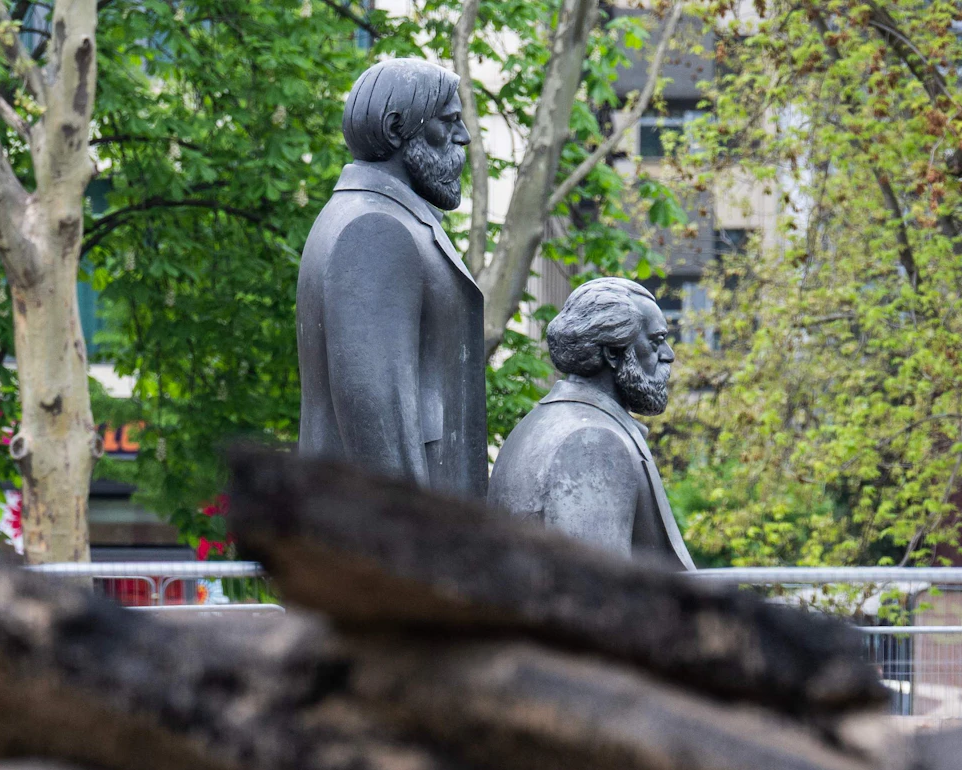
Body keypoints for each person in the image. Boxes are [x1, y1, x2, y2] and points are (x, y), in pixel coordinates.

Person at [296, 60, 487, 498]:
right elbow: (373, 407)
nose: (464, 137)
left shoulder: (374, 217)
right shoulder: (374, 228)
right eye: (449, 121)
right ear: (397, 128)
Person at [489, 278, 694, 569]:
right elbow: (598, 595)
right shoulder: (592, 442)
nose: (669, 355)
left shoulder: (542, 423)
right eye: (656, 341)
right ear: (613, 352)